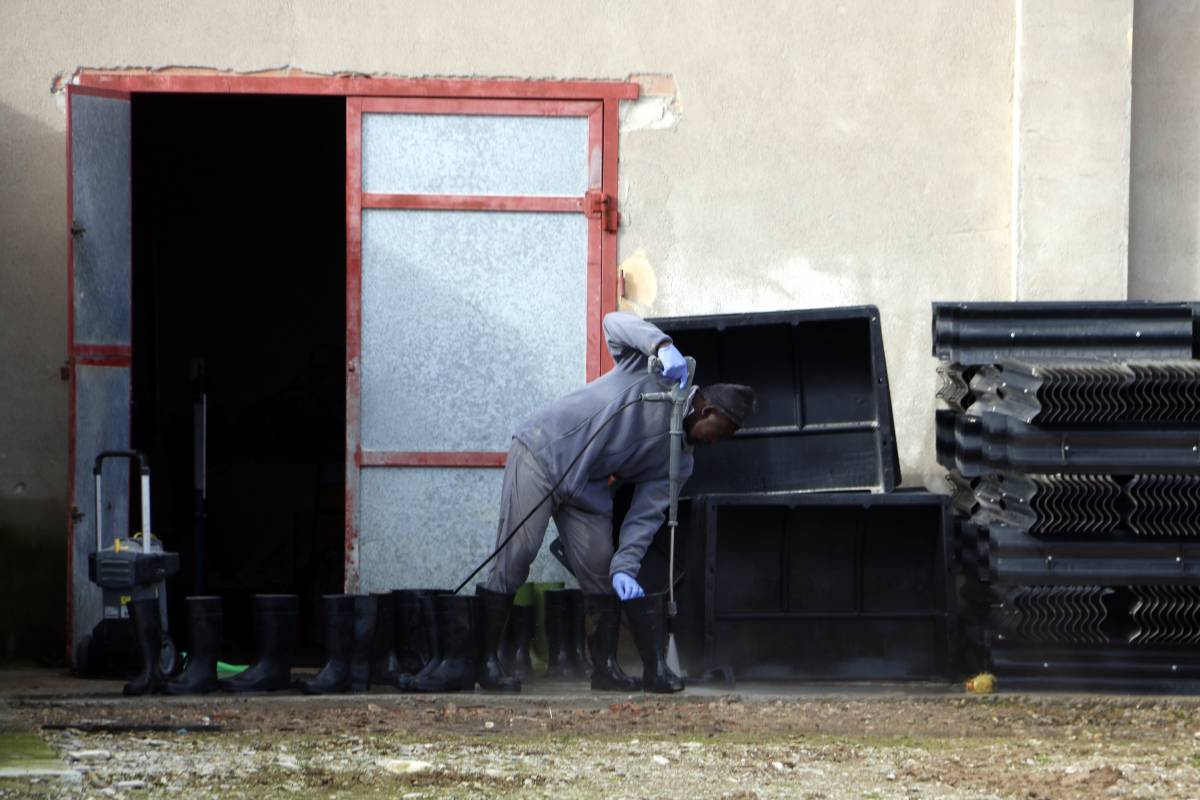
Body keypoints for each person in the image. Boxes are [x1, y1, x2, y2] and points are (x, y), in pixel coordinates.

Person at [475, 311, 755, 694]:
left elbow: (644, 518)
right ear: (707, 411)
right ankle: (486, 664)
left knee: (600, 571)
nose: (714, 443)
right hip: (543, 450)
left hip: (585, 486)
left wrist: (626, 567)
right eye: (718, 433)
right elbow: (613, 322)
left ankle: (604, 669)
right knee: (517, 556)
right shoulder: (652, 371)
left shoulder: (680, 462)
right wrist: (662, 345)